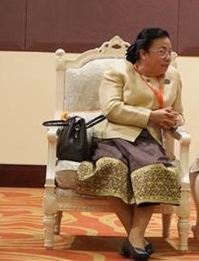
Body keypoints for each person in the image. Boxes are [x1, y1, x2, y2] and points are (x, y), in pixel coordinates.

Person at [76, 28, 184, 261]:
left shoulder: (173, 76)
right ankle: (138, 239)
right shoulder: (118, 74)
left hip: (149, 140)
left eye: (170, 51)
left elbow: (180, 113)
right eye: (162, 51)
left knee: (153, 171)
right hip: (113, 136)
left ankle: (134, 238)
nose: (168, 57)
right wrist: (151, 116)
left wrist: (174, 120)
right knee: (110, 168)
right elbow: (112, 109)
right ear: (144, 54)